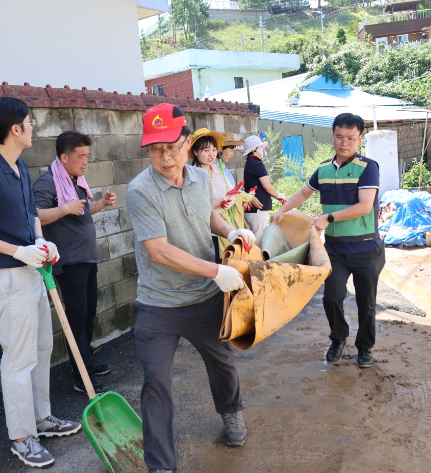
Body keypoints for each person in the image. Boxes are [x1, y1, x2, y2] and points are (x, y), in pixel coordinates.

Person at [126, 103, 256, 473]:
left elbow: (206, 215)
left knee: (224, 363)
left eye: (171, 147)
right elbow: (159, 251)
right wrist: (216, 271)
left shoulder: (201, 179)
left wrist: (230, 230)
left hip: (203, 300)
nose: (165, 157)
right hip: (158, 304)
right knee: (156, 382)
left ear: (187, 142)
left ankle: (231, 413)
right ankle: (161, 466)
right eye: (155, 149)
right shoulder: (140, 191)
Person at [0, 97, 80, 469]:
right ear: (15, 129)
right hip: (8, 278)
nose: (33, 126)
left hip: (31, 270)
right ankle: (22, 437)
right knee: (19, 358)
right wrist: (17, 251)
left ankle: (41, 419)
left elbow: (30, 215)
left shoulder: (19, 166)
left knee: (42, 348)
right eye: (29, 121)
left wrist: (40, 240)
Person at [270, 113, 386, 369]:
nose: (344, 143)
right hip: (334, 249)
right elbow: (303, 193)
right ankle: (338, 339)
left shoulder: (368, 168)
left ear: (359, 139)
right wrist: (282, 211)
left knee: (366, 302)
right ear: (332, 136)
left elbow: (365, 206)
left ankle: (365, 347)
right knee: (331, 297)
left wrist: (328, 218)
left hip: (366, 248)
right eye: (339, 137)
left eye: (351, 138)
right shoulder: (323, 169)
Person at [32, 131, 117, 396]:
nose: (85, 162)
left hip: (86, 258)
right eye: (81, 157)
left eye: (87, 157)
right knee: (77, 318)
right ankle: (82, 375)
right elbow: (34, 216)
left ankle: (86, 363)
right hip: (68, 262)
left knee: (88, 313)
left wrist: (101, 203)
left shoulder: (74, 181)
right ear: (64, 157)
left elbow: (80, 210)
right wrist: (63, 209)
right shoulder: (48, 183)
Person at [189, 128, 261, 262]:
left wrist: (232, 199)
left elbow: (231, 192)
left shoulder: (218, 168)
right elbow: (202, 207)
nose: (211, 154)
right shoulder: (194, 176)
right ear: (195, 152)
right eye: (206, 150)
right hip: (208, 229)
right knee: (215, 262)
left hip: (227, 222)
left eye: (213, 150)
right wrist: (222, 200)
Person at [242, 135, 286, 246]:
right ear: (255, 149)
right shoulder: (257, 164)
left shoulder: (249, 164)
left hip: (253, 211)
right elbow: (267, 186)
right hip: (258, 212)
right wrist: (278, 195)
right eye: (262, 147)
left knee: (254, 242)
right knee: (258, 244)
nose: (263, 151)